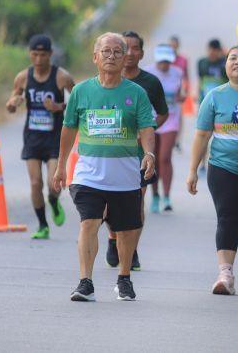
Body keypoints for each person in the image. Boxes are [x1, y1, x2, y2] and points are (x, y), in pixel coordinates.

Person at [53, 32, 156, 302]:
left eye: (117, 52)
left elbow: (146, 127)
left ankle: (124, 278)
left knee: (127, 229)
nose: (111, 56)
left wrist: (149, 154)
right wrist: (61, 165)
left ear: (126, 59)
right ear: (95, 57)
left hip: (125, 176)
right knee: (89, 222)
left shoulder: (136, 93)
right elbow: (68, 129)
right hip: (88, 175)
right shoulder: (81, 92)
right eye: (106, 51)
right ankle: (85, 282)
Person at [186, 45, 238, 295]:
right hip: (222, 166)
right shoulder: (215, 96)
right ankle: (225, 273)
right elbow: (201, 135)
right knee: (227, 215)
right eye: (233, 58)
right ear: (225, 65)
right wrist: (192, 171)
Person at [104, 30, 169, 271]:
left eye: (135, 48)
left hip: (139, 154)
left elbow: (163, 113)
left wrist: (146, 131)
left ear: (142, 53)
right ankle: (113, 238)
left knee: (135, 202)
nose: (130, 53)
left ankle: (131, 250)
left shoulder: (150, 83)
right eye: (125, 48)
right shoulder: (107, 77)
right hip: (110, 153)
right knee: (108, 203)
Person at [6, 34, 75, 239]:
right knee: (36, 183)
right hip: (33, 137)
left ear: (50, 54)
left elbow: (79, 103)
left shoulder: (61, 77)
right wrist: (13, 104)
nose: (38, 59)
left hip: (55, 137)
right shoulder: (23, 77)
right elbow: (10, 104)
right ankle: (43, 225)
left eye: (42, 55)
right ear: (30, 54)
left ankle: (53, 201)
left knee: (54, 184)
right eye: (34, 55)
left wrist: (58, 106)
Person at [144, 44, 184, 212]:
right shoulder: (147, 73)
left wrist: (180, 97)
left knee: (165, 157)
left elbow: (178, 94)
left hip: (171, 118)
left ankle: (167, 196)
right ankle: (155, 195)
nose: (164, 64)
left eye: (167, 61)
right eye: (161, 61)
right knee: (153, 158)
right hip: (151, 119)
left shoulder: (177, 72)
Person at [197, 38, 228, 104]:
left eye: (215, 50)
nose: (212, 52)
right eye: (210, 50)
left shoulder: (225, 62)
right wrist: (198, 96)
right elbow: (200, 80)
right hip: (205, 97)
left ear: (219, 51)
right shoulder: (202, 62)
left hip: (222, 98)